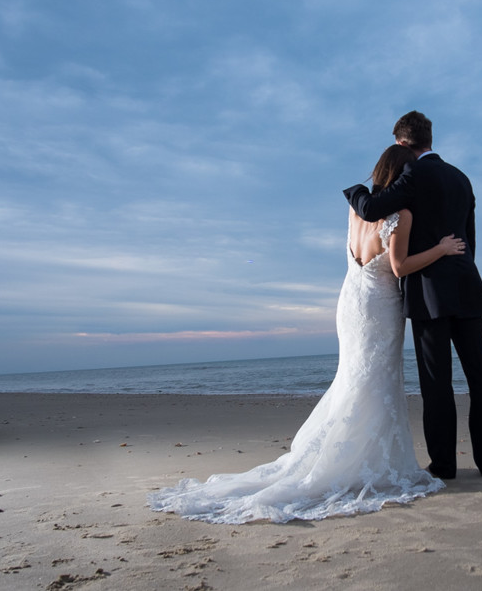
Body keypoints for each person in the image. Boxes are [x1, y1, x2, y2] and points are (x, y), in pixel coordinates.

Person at [147, 144, 465, 524]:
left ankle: (348, 451)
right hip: (379, 305)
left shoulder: (356, 210)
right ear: (403, 177)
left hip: (350, 302)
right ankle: (361, 460)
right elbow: (399, 267)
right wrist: (441, 249)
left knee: (354, 378)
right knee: (374, 380)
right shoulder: (401, 215)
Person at [343, 111, 482, 479]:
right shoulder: (461, 177)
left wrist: (355, 190)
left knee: (436, 382)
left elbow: (371, 209)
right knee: (480, 377)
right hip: (466, 284)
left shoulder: (412, 174)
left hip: (429, 292)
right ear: (429, 138)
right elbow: (469, 238)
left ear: (401, 143)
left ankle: (444, 465)